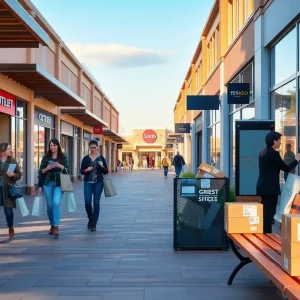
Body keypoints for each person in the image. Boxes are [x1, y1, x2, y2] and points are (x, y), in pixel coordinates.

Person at [256, 131, 300, 234]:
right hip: (270, 189)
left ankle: (265, 234)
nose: (280, 143)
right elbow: (286, 168)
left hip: (263, 187)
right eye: (279, 140)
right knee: (269, 213)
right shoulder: (273, 154)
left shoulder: (263, 152)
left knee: (266, 212)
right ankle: (266, 236)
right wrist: (297, 160)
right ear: (274, 141)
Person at [39, 138, 69, 237]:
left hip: (59, 183)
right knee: (50, 205)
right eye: (51, 145)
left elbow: (68, 171)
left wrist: (60, 166)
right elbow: (40, 172)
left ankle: (56, 226)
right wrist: (47, 168)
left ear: (58, 146)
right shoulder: (46, 157)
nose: (52, 147)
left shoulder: (63, 157)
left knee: (56, 203)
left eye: (54, 145)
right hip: (47, 183)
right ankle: (52, 224)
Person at [80, 139, 108, 232]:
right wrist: (86, 170)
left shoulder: (101, 158)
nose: (92, 149)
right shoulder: (85, 158)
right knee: (87, 202)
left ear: (97, 148)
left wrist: (102, 166)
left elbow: (106, 171)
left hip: (98, 183)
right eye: (91, 147)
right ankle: (90, 219)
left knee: (96, 202)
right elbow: (81, 171)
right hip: (87, 182)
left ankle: (94, 223)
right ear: (89, 148)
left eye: (94, 147)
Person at [0, 143, 22, 238]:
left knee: (8, 211)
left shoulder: (12, 160)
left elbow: (19, 174)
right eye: (9, 148)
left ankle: (10, 227)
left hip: (8, 188)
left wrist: (13, 175)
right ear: (3, 151)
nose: (11, 150)